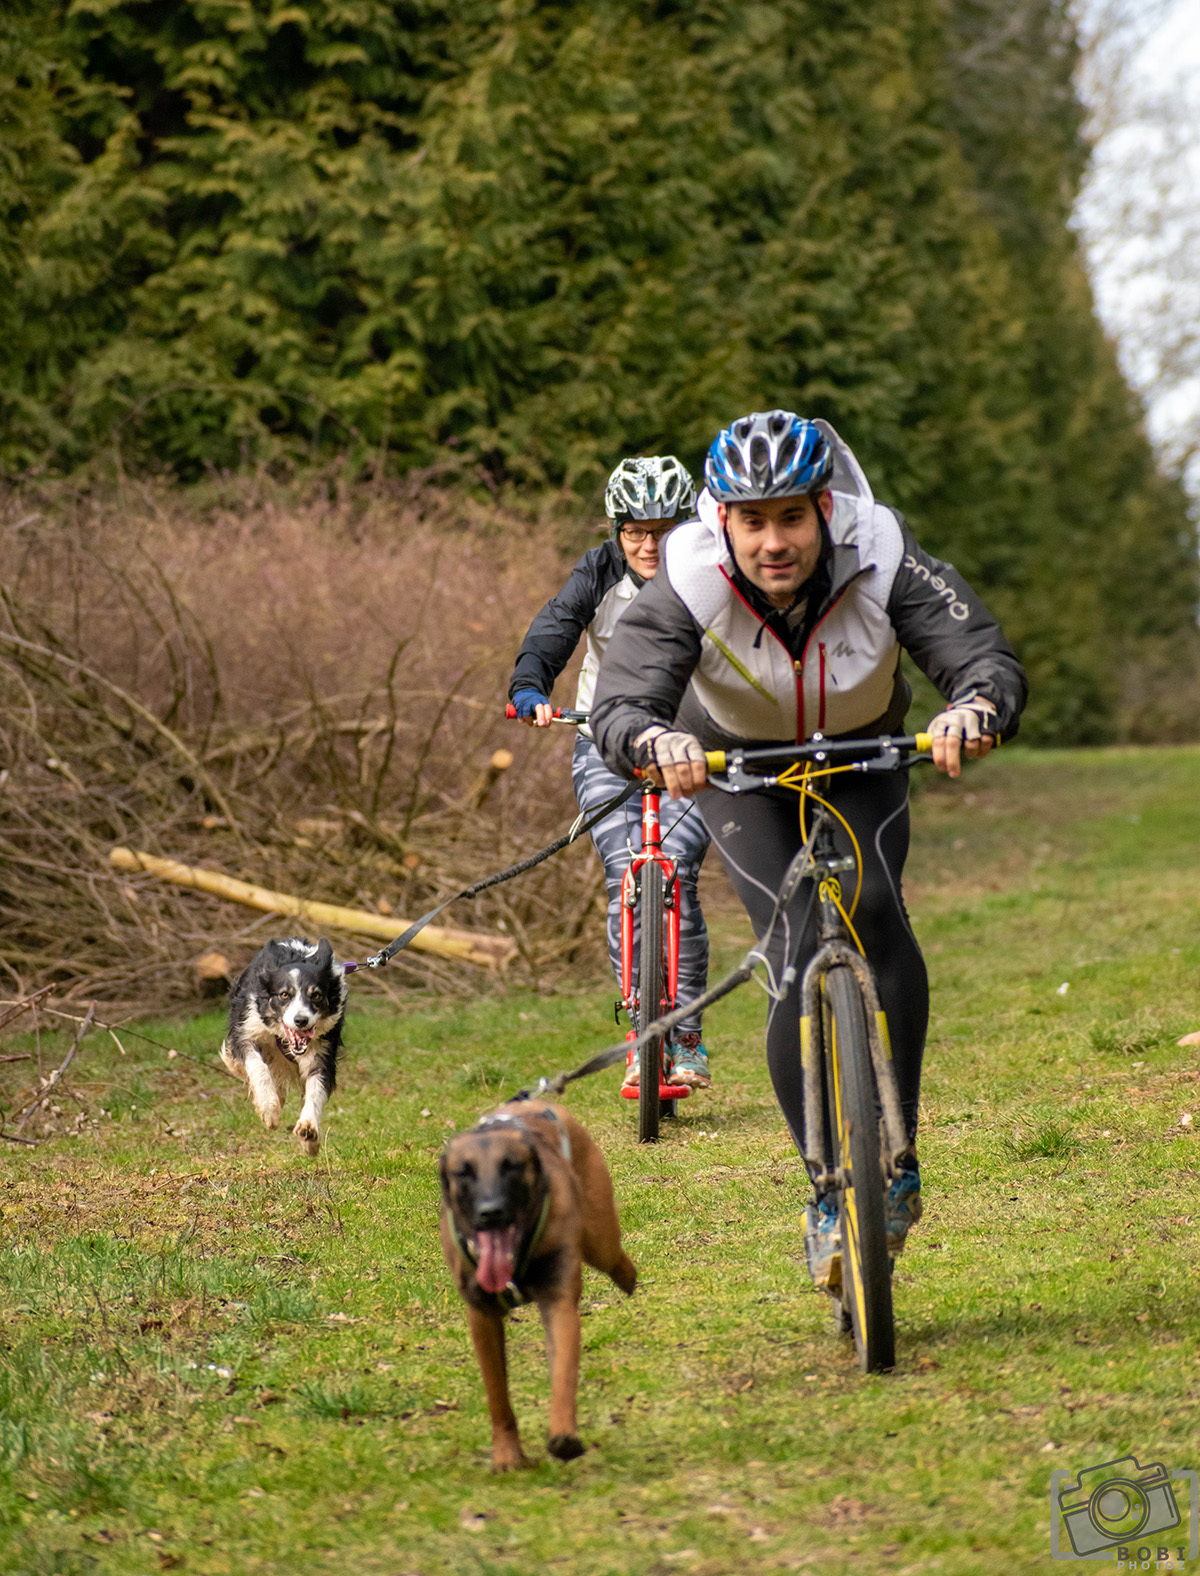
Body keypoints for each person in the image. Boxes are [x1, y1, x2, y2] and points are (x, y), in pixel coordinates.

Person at [591, 411, 1027, 1282]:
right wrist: (651, 738)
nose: (774, 541)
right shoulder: (687, 573)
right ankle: (827, 1188)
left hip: (864, 752)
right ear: (723, 519)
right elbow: (625, 697)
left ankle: (897, 1152)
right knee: (790, 951)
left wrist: (975, 706)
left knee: (874, 909)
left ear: (825, 508)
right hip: (738, 766)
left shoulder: (882, 550)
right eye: (753, 521)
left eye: (791, 516)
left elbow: (978, 652)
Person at [507, 455, 714, 1092]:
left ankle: (687, 1038)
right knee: (628, 874)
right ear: (618, 532)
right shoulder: (598, 571)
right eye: (635, 532)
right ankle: (639, 1036)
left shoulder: (712, 572)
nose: (649, 545)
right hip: (605, 744)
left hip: (691, 747)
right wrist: (530, 686)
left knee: (676, 872)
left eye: (662, 531)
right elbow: (554, 629)